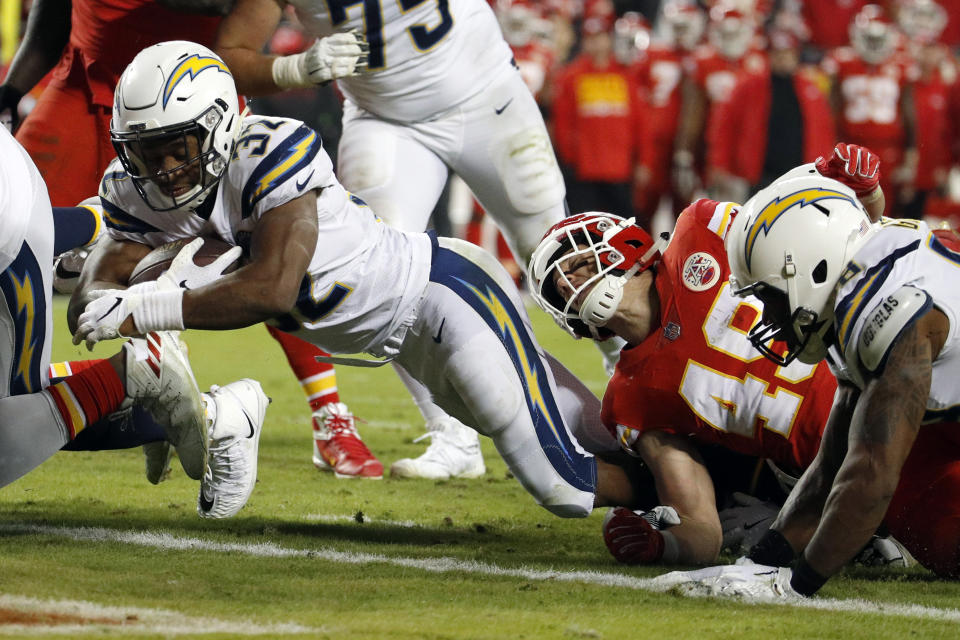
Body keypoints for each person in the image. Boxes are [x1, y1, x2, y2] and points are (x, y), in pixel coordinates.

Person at [70, 40, 639, 519]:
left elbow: (273, 287)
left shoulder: (269, 150)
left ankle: (705, 495)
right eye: (145, 153)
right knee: (584, 431)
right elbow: (90, 301)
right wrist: (120, 296)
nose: (164, 170)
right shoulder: (136, 188)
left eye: (178, 147)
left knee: (561, 485)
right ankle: (697, 479)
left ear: (218, 127)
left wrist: (146, 306)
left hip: (442, 295)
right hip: (401, 341)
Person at [0, 0, 382, 480]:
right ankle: (120, 374)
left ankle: (329, 411)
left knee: (268, 243)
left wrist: (291, 68)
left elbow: (237, 25)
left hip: (191, 101)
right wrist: (16, 85)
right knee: (17, 222)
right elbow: (55, 12)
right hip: (89, 78)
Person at [214, 0, 571, 479]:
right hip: (385, 120)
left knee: (560, 256)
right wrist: (296, 67)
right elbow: (229, 58)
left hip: (488, 93)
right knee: (378, 278)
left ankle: (639, 415)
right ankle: (453, 437)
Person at [527, 142, 888, 566]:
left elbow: (837, 232)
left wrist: (865, 191)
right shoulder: (631, 398)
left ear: (624, 241)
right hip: (844, 466)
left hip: (883, 365)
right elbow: (700, 528)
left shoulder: (701, 228)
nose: (572, 283)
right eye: (560, 285)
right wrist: (661, 545)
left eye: (577, 264)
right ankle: (861, 532)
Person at [662, 144, 960, 599]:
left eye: (770, 295)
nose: (767, 314)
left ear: (810, 265)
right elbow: (832, 464)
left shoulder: (891, 309)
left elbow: (870, 477)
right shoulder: (864, 286)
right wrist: (759, 566)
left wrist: (797, 588)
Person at [0, 124, 265, 519]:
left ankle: (139, 374)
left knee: (14, 412)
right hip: (12, 193)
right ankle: (201, 412)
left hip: (9, 214)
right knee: (21, 409)